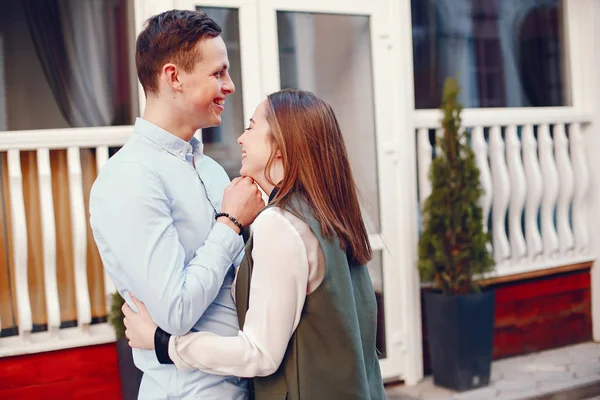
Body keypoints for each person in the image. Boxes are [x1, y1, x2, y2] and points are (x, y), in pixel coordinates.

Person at [122, 89, 387, 400]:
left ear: (280, 145)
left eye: (250, 127)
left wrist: (164, 343)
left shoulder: (280, 224)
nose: (240, 139)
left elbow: (259, 353)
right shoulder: (327, 214)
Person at [89, 9, 264, 400]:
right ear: (174, 78)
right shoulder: (129, 177)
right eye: (218, 73)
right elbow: (176, 312)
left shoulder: (214, 171)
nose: (230, 86)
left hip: (247, 383)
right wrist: (231, 224)